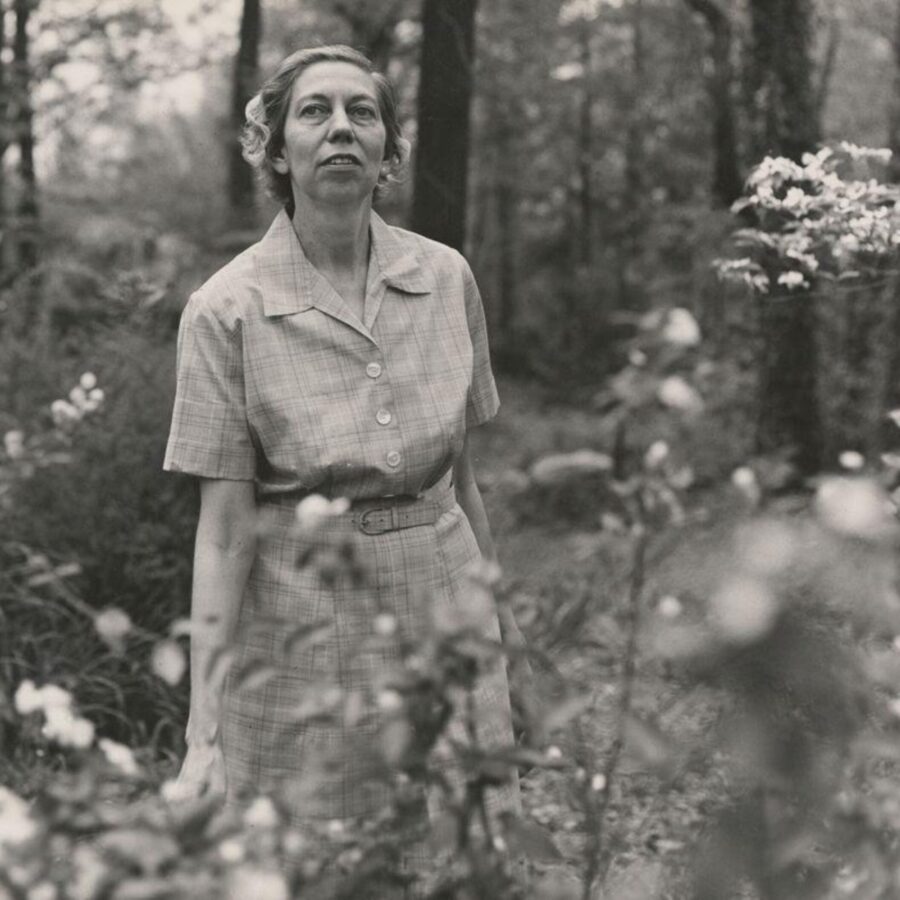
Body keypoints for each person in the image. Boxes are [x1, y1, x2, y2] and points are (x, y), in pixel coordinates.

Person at [163, 45, 521, 831]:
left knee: (464, 842)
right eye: (314, 111)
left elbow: (461, 484)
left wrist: (502, 633)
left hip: (446, 606)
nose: (340, 129)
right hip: (306, 626)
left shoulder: (446, 277)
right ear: (277, 149)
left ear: (389, 152)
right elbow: (223, 537)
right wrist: (204, 733)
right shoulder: (226, 310)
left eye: (363, 113)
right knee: (324, 856)